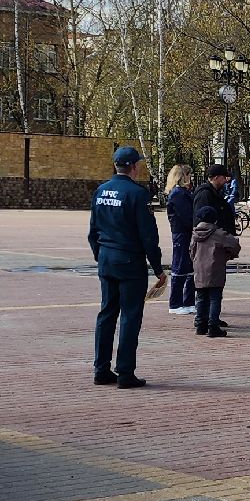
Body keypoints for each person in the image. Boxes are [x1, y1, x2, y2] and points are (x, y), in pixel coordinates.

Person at [88, 146, 167, 390]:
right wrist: (158, 269)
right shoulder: (137, 194)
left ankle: (101, 369)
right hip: (130, 262)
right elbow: (148, 236)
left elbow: (93, 231)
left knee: (106, 314)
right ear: (134, 166)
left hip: (107, 258)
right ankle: (125, 372)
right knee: (130, 316)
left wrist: (99, 256)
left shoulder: (100, 191)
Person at [190, 164, 236, 333]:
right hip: (210, 248)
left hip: (212, 248)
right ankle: (208, 322)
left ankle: (209, 319)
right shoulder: (205, 194)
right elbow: (201, 219)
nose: (226, 181)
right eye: (224, 177)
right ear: (216, 177)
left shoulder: (214, 193)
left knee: (205, 291)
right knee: (213, 291)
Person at [190, 204, 240, 338]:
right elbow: (235, 244)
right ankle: (213, 326)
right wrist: (228, 255)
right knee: (215, 298)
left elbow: (191, 252)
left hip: (199, 270)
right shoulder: (219, 234)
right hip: (215, 269)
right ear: (215, 219)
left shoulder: (195, 234)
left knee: (200, 297)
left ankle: (200, 325)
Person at [164, 165, 197, 316]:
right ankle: (175, 303)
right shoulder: (178, 193)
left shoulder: (182, 192)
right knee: (180, 266)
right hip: (182, 233)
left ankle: (188, 301)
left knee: (190, 267)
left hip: (185, 232)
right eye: (188, 174)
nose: (190, 177)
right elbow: (186, 216)